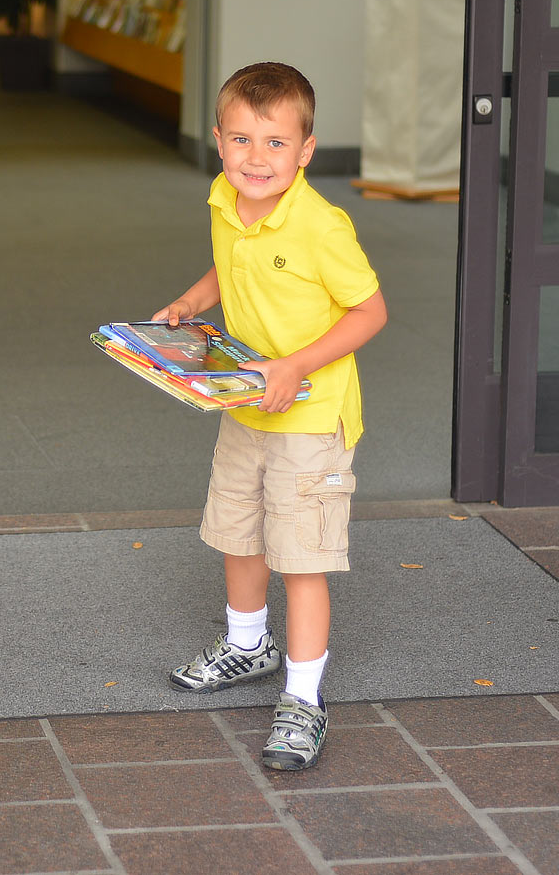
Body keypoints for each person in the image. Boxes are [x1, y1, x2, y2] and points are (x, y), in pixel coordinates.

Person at [154, 62, 387, 771]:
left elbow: (369, 311)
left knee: (302, 558)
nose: (258, 158)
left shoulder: (321, 225)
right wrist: (193, 304)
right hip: (246, 406)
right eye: (243, 140)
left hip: (311, 422)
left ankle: (305, 698)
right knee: (239, 533)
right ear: (220, 143)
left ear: (306, 150)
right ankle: (248, 647)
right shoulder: (227, 197)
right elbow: (233, 265)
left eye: (276, 143)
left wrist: (296, 366)